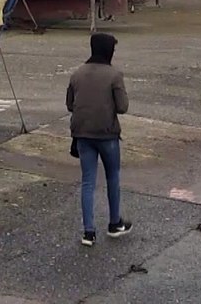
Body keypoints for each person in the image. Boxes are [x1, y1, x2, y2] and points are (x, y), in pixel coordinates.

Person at [66, 32, 131, 247]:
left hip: (82, 134)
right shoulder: (114, 75)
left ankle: (88, 232)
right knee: (113, 176)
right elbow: (122, 107)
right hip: (107, 134)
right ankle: (114, 223)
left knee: (87, 182)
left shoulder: (77, 74)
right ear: (109, 51)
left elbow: (69, 105)